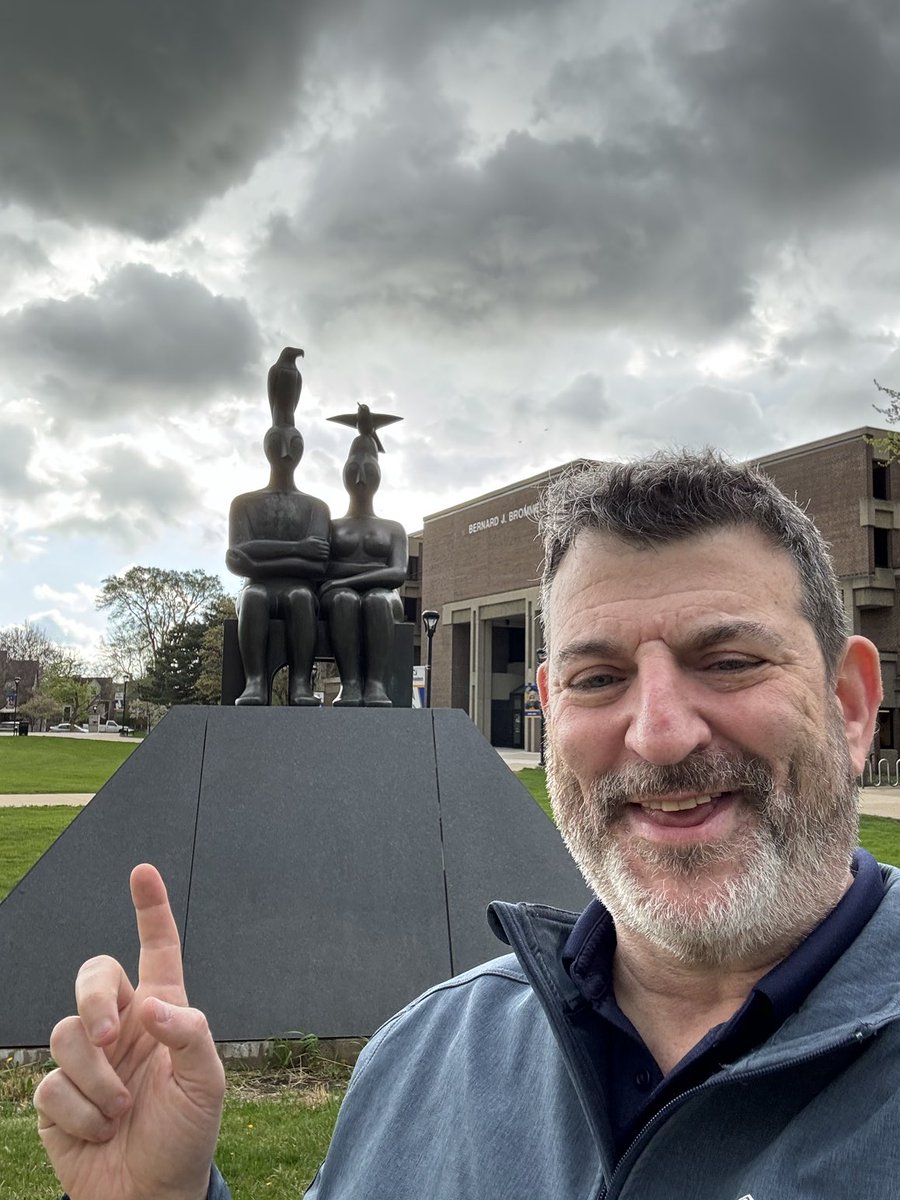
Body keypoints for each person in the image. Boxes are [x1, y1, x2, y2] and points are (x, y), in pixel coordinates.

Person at [35, 450, 900, 1200]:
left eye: (731, 662)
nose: (660, 733)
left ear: (850, 704)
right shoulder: (425, 1056)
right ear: (551, 713)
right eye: (599, 679)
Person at [320, 430, 408, 706]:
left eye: (368, 471)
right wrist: (342, 583)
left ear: (378, 477)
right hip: (337, 597)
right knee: (344, 600)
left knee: (376, 601)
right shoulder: (330, 527)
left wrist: (344, 579)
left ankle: (375, 684)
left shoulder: (393, 529)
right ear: (345, 475)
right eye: (353, 471)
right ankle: (350, 684)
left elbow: (397, 574)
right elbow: (321, 567)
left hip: (382, 597)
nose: (360, 479)